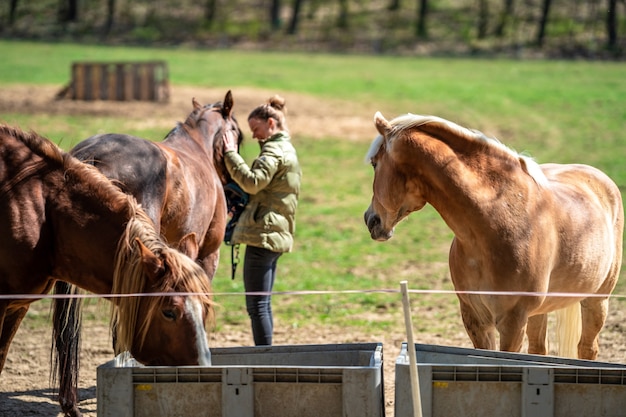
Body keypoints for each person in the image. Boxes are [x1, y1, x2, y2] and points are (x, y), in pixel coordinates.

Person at [222, 95, 301, 346]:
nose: (254, 136)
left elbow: (254, 182)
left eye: (256, 129)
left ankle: (264, 358)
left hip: (263, 235)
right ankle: (265, 355)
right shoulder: (286, 148)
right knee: (262, 303)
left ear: (270, 123)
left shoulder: (274, 150)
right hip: (273, 233)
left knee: (257, 305)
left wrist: (231, 154)